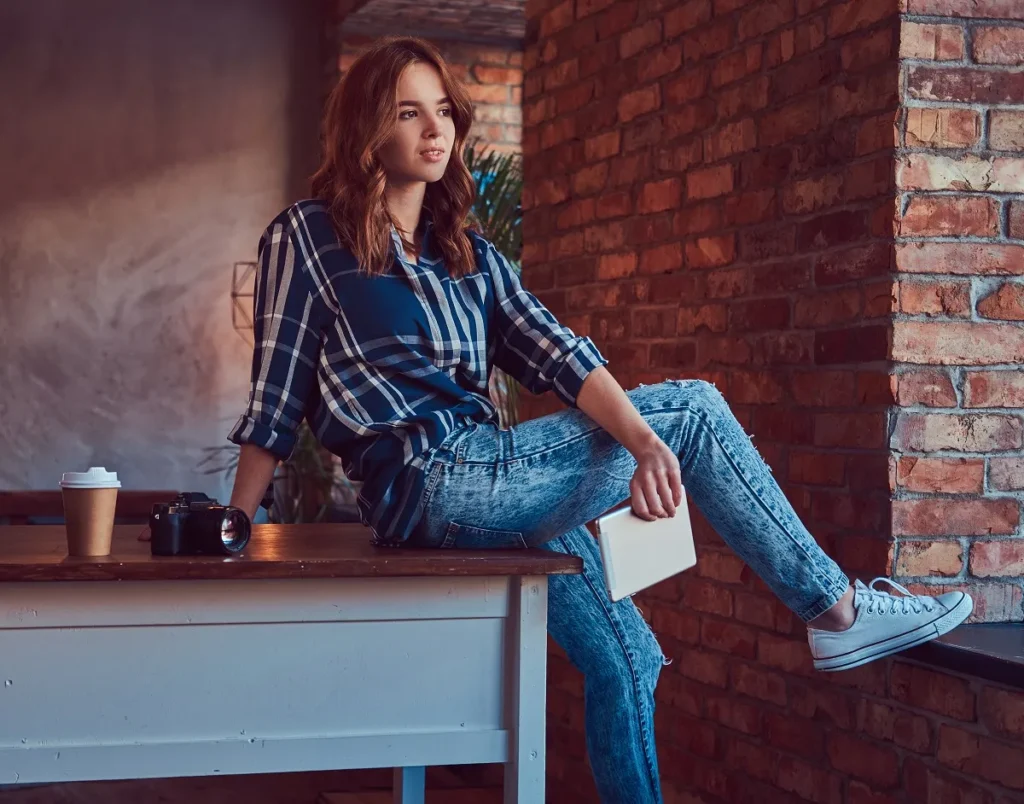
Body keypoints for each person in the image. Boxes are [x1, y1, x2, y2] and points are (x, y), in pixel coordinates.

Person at [226, 35, 973, 804]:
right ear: (368, 131)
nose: (434, 130)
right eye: (409, 113)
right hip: (430, 479)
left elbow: (562, 356)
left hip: (496, 482)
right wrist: (234, 524)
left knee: (628, 658)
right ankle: (837, 609)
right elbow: (276, 397)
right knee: (695, 408)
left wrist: (640, 441)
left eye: (443, 110)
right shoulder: (309, 235)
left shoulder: (472, 258)